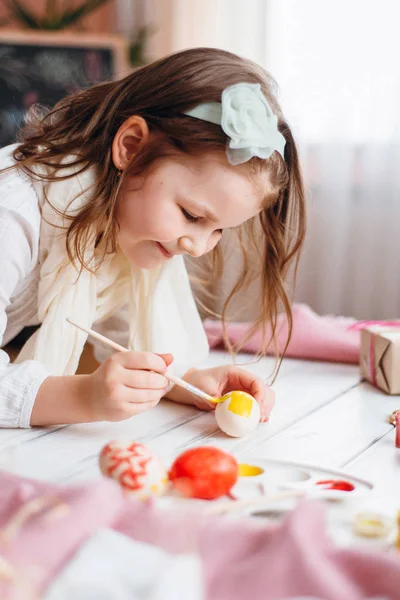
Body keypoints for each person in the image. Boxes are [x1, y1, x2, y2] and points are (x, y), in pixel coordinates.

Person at [0, 47, 305, 428]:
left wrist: (185, 382)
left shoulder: (115, 225)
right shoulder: (12, 213)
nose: (197, 245)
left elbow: (122, 332)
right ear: (130, 147)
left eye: (219, 230)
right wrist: (81, 397)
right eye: (192, 215)